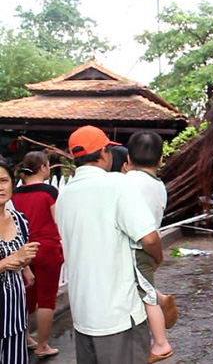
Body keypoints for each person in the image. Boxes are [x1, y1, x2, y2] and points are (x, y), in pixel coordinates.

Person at [56, 125, 163, 364]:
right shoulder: (117, 185)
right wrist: (158, 257)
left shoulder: (65, 196)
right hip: (118, 314)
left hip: (83, 314)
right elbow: (150, 237)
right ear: (104, 153)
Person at [126, 131, 176, 363]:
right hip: (146, 246)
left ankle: (161, 343)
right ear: (160, 160)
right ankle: (161, 297)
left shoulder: (127, 181)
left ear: (128, 158)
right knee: (144, 285)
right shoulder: (158, 185)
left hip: (136, 247)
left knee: (146, 295)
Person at [12, 152, 63, 358]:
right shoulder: (49, 192)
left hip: (24, 249)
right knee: (46, 298)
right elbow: (57, 219)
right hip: (47, 247)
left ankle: (24, 337)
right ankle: (42, 344)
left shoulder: (15, 194)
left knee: (27, 296)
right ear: (43, 167)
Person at [0, 159, 39, 364]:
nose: (0, 187)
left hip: (15, 316)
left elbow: (21, 260)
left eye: (4, 180)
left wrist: (24, 263)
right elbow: (11, 259)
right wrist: (9, 260)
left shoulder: (19, 220)